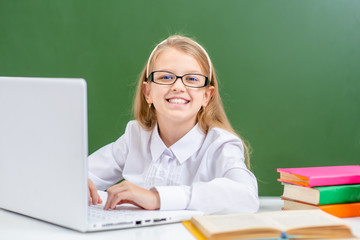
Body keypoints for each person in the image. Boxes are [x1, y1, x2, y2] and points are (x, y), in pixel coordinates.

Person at [88, 35, 259, 214]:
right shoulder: (135, 137)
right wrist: (76, 181)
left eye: (192, 79)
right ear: (148, 92)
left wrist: (157, 198)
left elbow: (247, 196)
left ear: (206, 96)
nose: (178, 86)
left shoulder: (220, 145)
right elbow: (78, 174)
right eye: (166, 77)